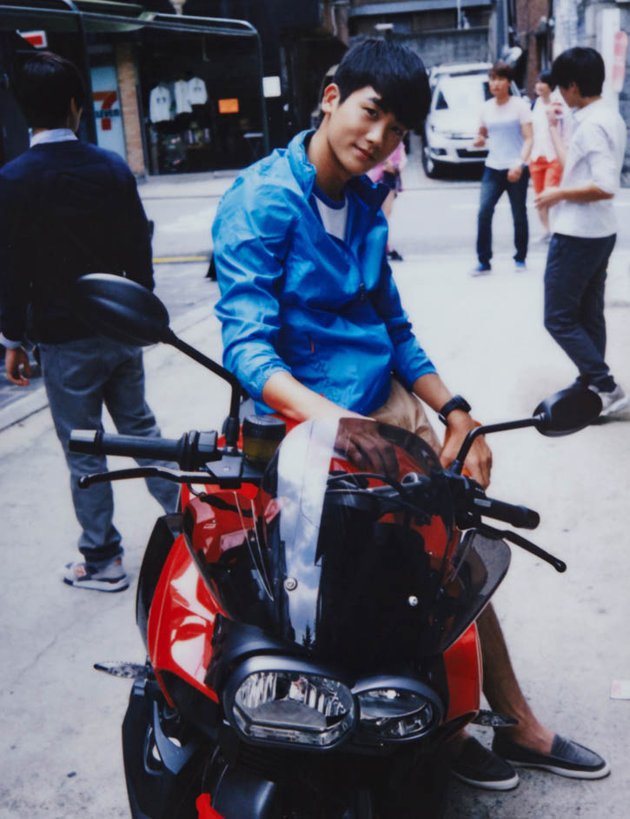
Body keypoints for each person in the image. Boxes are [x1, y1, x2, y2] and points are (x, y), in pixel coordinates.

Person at [211, 37, 609, 789]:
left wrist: (456, 411)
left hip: (388, 416)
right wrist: (340, 427)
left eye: (396, 130)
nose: (378, 138)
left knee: (450, 563)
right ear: (332, 96)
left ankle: (501, 721)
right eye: (371, 114)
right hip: (302, 430)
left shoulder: (365, 205)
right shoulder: (263, 200)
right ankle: (419, 735)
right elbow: (249, 351)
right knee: (330, 595)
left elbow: (392, 327)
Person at [0, 52, 178, 592]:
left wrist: (12, 340)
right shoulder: (112, 169)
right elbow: (139, 249)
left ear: (24, 110)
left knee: (85, 448)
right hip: (121, 330)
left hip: (63, 339)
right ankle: (195, 527)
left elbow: (11, 271)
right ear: (77, 106)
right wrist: (140, 313)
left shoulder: (13, 181)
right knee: (143, 433)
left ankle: (103, 560)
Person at [536, 47, 628, 418]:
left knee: (557, 316)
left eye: (562, 87)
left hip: (578, 235)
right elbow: (574, 165)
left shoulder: (592, 125)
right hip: (599, 232)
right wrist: (556, 126)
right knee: (589, 314)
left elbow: (605, 185)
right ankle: (592, 381)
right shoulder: (607, 116)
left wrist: (557, 194)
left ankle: (605, 385)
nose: (560, 94)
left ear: (573, 86)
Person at [470, 61, 533, 276]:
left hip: (516, 167)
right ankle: (484, 261)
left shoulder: (520, 106)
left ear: (508, 82)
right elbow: (482, 133)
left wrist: (520, 163)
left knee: (519, 214)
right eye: (492, 79)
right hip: (493, 167)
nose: (495, 84)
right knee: (484, 212)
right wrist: (479, 139)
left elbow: (529, 138)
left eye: (499, 79)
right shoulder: (486, 107)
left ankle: (520, 258)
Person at [529, 70, 569, 241]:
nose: (538, 86)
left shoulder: (558, 104)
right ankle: (546, 230)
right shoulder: (535, 104)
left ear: (550, 85)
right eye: (537, 82)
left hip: (553, 156)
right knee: (539, 196)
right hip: (536, 156)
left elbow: (565, 132)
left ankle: (557, 227)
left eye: (542, 82)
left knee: (550, 193)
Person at [367, 140, 406, 260]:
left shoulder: (397, 142)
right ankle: (382, 246)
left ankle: (384, 246)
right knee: (378, 215)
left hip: (387, 179)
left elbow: (402, 160)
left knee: (383, 215)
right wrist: (389, 164)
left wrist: (394, 166)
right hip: (377, 179)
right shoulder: (380, 139)